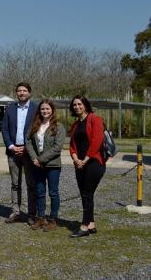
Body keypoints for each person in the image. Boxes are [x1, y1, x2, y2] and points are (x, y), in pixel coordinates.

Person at [68, 95, 106, 238]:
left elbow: (97, 140)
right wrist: (76, 158)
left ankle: (84, 226)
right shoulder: (76, 124)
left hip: (94, 162)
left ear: (85, 105)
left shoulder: (94, 118)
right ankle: (91, 224)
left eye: (79, 104)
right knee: (85, 194)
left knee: (87, 193)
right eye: (74, 105)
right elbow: (72, 145)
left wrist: (86, 159)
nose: (77, 107)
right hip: (79, 164)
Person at [25, 99, 66, 231]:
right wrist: (34, 158)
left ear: (52, 110)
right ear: (39, 111)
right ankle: (41, 218)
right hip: (37, 165)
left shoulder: (59, 126)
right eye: (42, 109)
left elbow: (57, 147)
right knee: (40, 192)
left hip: (52, 165)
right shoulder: (35, 125)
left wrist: (41, 159)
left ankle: (53, 219)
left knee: (53, 193)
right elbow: (28, 141)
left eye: (47, 109)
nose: (45, 111)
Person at [1, 82, 39, 224]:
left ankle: (31, 214)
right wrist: (11, 146)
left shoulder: (36, 109)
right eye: (19, 91)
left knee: (31, 184)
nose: (21, 93)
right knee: (15, 184)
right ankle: (15, 212)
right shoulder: (10, 109)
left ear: (29, 93)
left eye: (24, 91)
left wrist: (27, 147)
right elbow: (4, 129)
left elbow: (38, 130)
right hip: (13, 152)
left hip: (29, 152)